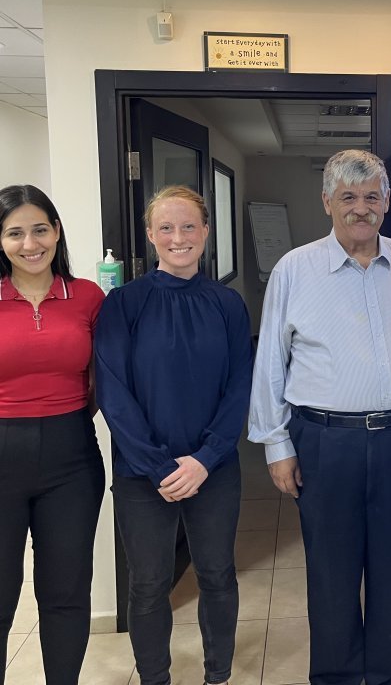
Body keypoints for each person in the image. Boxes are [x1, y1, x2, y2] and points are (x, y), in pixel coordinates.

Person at [249, 149, 391, 685]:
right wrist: (276, 443)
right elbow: (271, 360)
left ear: (386, 202)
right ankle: (336, 677)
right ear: (327, 202)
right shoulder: (295, 269)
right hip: (325, 443)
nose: (360, 208)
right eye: (348, 197)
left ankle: (389, 674)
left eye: (371, 196)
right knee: (331, 575)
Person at [95, 185, 253, 685]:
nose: (178, 237)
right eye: (166, 227)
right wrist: (160, 466)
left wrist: (205, 458)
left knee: (217, 575)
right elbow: (113, 393)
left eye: (188, 226)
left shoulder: (228, 304)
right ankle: (155, 679)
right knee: (147, 585)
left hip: (214, 469)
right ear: (150, 234)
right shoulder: (123, 305)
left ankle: (217, 675)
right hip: (144, 475)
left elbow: (240, 387)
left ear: (206, 231)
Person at [0, 184, 105, 685]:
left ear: (57, 231)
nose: (30, 244)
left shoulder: (87, 296)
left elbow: (107, 377)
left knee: (66, 594)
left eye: (40, 229)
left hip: (71, 459)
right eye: (14, 233)